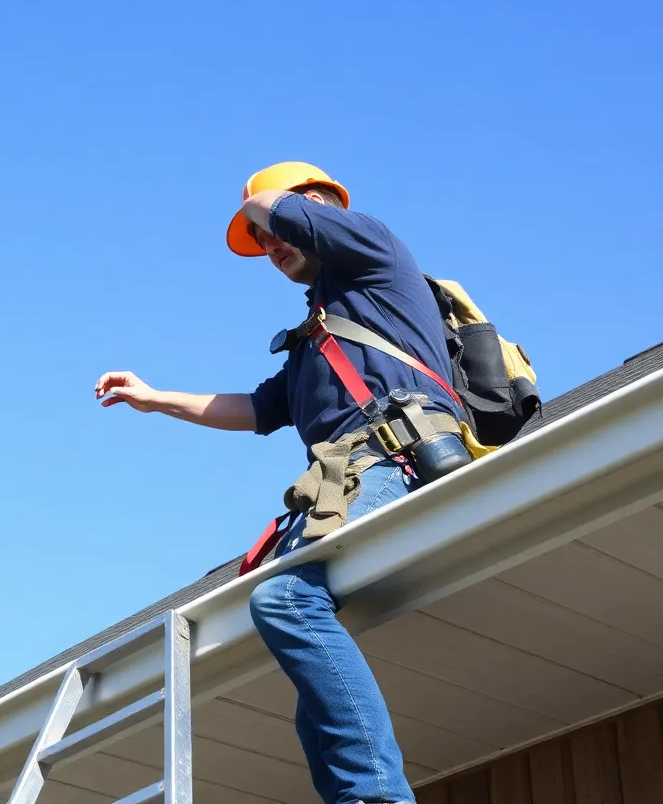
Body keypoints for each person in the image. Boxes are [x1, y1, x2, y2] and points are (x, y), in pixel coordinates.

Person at [94, 161, 466, 804]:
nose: (270, 245)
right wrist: (154, 399)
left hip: (393, 456)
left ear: (319, 205)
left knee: (284, 603)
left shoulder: (375, 254)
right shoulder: (313, 340)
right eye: (261, 240)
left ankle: (377, 797)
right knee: (310, 694)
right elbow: (258, 411)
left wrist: (262, 200)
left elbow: (292, 213)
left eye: (271, 229)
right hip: (343, 478)